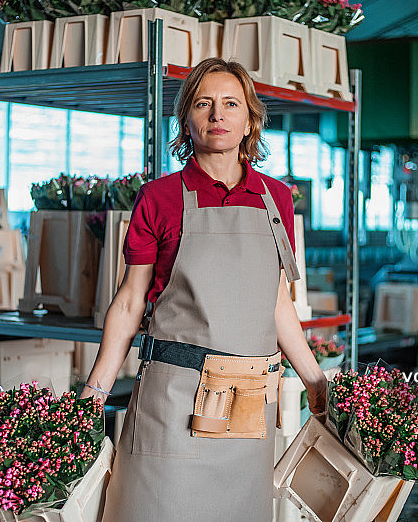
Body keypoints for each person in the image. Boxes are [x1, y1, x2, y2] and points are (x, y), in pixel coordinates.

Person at [81, 57, 327, 522]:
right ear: (186, 120)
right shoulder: (158, 198)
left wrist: (316, 383)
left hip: (249, 406)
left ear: (250, 120)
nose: (218, 115)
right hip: (173, 401)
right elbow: (130, 302)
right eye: (203, 103)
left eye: (231, 103)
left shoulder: (277, 199)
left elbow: (277, 304)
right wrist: (93, 393)